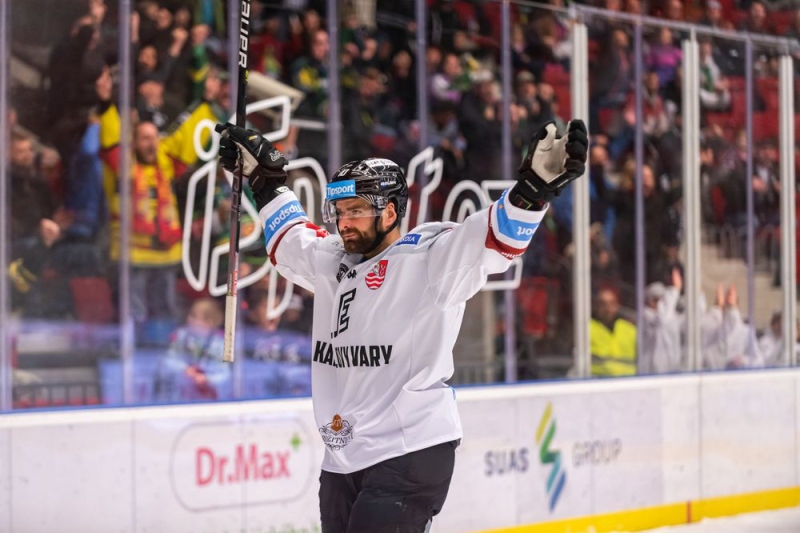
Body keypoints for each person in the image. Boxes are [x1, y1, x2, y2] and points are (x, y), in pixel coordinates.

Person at [216, 118, 588, 532]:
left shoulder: (430, 257)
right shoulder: (331, 258)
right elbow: (288, 238)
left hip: (409, 449)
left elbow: (494, 240)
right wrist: (264, 178)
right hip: (342, 455)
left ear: (390, 211)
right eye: (339, 212)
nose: (344, 222)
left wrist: (533, 188)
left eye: (356, 211)